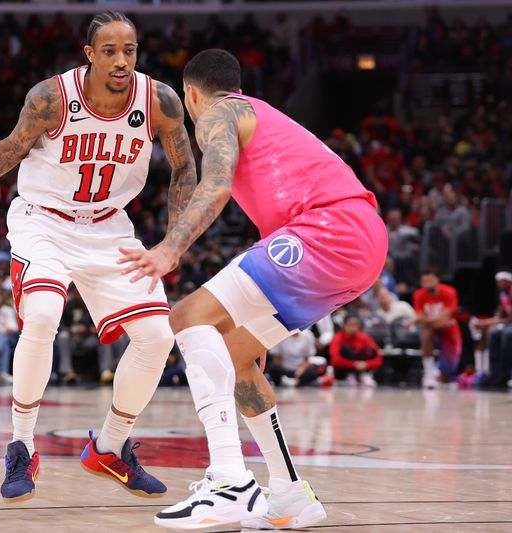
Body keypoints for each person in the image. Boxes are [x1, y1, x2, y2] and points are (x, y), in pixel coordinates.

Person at [120, 49, 387, 529]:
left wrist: (169, 249)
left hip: (328, 230)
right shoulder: (262, 115)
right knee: (236, 358)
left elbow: (216, 184)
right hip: (357, 241)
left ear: (193, 95)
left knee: (187, 316)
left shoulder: (221, 112)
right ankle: (289, 494)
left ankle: (229, 482)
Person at [0, 11, 196, 502]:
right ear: (90, 54)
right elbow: (8, 150)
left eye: (130, 50)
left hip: (109, 228)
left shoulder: (159, 100)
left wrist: (174, 242)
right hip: (44, 221)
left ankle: (110, 448)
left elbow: (185, 169)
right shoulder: (51, 96)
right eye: (111, 51)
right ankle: (21, 446)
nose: (122, 61)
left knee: (158, 337)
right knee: (42, 314)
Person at [412, 269, 462, 387]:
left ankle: (443, 375)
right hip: (432, 328)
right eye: (424, 281)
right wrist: (434, 321)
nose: (428, 283)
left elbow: (446, 314)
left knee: (447, 375)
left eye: (430, 280)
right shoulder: (418, 294)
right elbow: (421, 316)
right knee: (426, 334)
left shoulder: (449, 292)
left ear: (437, 280)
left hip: (449, 330)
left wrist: (425, 320)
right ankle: (429, 374)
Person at [328, 314, 383, 387]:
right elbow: (335, 360)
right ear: (344, 325)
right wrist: (353, 364)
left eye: (356, 324)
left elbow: (379, 358)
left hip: (361, 368)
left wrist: (366, 364)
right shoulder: (338, 337)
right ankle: (350, 376)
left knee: (370, 350)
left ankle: (363, 376)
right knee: (346, 348)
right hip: (343, 371)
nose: (353, 327)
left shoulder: (364, 337)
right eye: (350, 324)